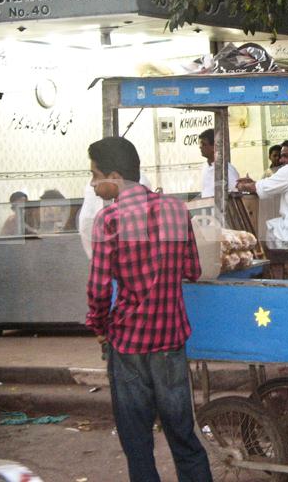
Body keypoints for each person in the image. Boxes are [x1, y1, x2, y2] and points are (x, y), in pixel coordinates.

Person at [85, 137, 212, 482]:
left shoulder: (108, 219)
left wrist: (98, 325)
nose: (93, 184)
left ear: (114, 175)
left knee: (138, 443)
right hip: (170, 340)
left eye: (95, 175)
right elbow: (193, 270)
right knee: (183, 436)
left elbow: (98, 290)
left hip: (128, 345)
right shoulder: (176, 209)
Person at [198, 128, 240, 198]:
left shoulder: (227, 170)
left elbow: (236, 193)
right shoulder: (205, 167)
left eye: (204, 144)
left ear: (213, 147)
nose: (200, 147)